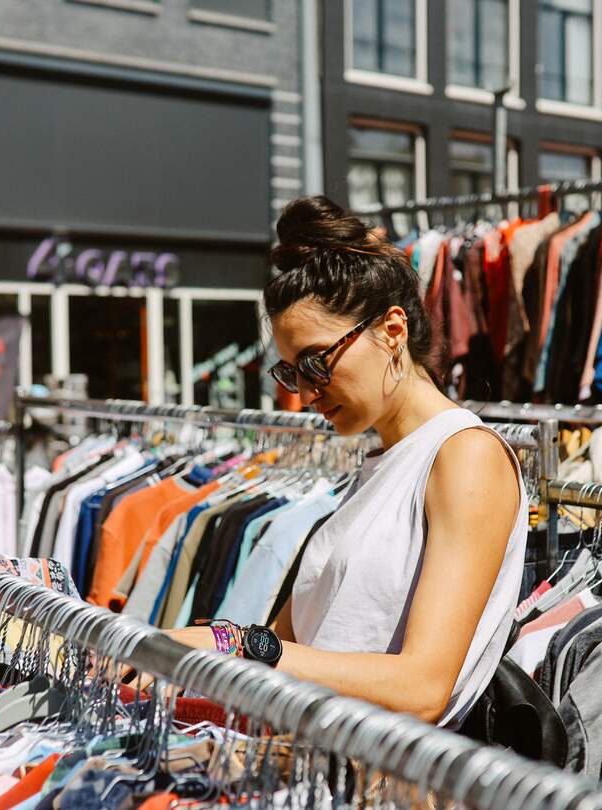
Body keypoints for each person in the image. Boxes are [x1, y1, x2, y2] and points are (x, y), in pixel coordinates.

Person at [165, 196, 528, 727]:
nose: (307, 392)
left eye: (316, 362)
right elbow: (297, 645)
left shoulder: (464, 456)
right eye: (291, 373)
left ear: (393, 331)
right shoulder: (381, 465)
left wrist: (235, 643)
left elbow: (422, 687)